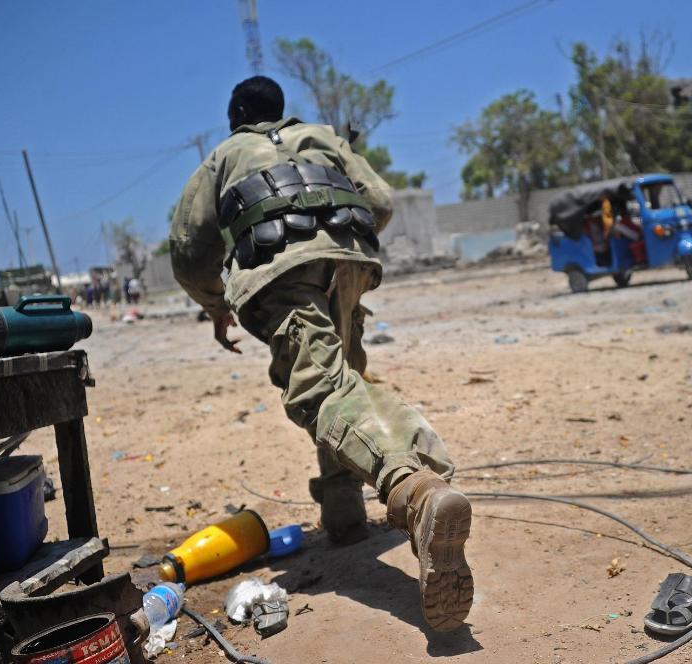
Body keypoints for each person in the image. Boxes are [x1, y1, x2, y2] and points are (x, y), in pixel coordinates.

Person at [168, 76, 473, 632]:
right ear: (282, 111)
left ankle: (414, 490)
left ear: (236, 116)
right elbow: (379, 201)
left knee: (323, 390)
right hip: (348, 258)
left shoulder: (223, 156)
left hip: (280, 268)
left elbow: (190, 252)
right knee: (343, 379)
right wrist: (339, 239)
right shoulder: (323, 136)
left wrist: (216, 305)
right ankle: (345, 518)